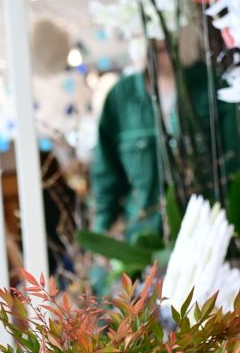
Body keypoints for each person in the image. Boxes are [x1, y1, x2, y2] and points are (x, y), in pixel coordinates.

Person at [90, 35, 240, 242]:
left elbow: (233, 161)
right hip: (144, 235)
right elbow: (106, 171)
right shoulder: (121, 97)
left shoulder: (213, 84)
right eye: (152, 49)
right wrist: (103, 229)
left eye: (165, 47)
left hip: (209, 231)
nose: (159, 57)